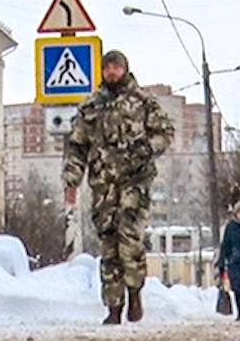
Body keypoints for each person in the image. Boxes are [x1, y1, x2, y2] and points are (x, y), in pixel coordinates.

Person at [63, 50, 175, 325]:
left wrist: (147, 149)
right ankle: (113, 306)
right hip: (103, 185)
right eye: (107, 67)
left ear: (125, 69)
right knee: (109, 244)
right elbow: (77, 146)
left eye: (116, 67)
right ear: (102, 71)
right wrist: (71, 181)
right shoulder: (90, 107)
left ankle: (135, 292)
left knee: (130, 237)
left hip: (134, 180)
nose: (112, 71)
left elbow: (165, 132)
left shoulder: (142, 101)